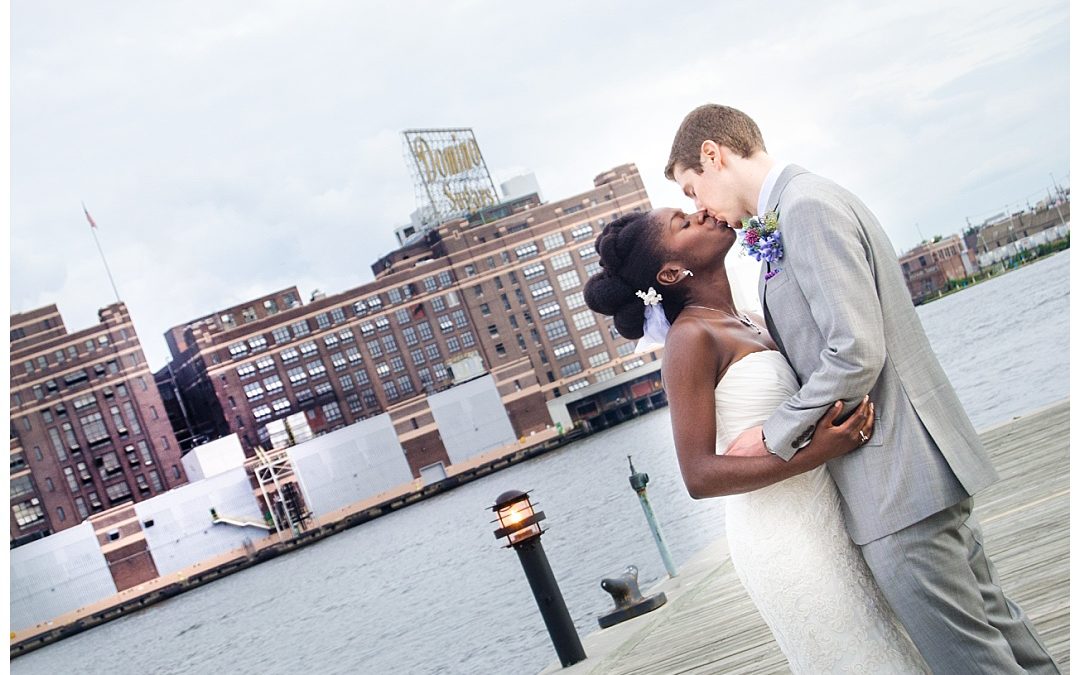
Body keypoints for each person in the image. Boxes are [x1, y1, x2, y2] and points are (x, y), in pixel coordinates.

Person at [663, 103, 1059, 674]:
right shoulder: (800, 205)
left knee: (973, 663)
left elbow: (855, 351)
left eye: (691, 187)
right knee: (1006, 642)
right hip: (912, 476)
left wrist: (772, 434)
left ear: (712, 154)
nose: (697, 205)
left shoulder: (806, 208)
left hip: (895, 482)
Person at [584, 207, 929, 673]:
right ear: (670, 272)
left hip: (830, 515)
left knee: (891, 649)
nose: (703, 213)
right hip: (783, 538)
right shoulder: (690, 339)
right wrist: (815, 454)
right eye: (684, 223)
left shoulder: (747, 317)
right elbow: (699, 475)